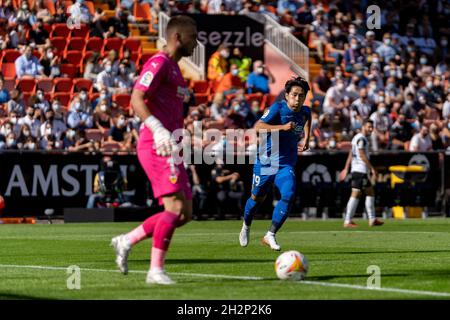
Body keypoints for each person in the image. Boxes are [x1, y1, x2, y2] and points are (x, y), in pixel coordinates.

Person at [111, 15, 198, 285]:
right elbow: (136, 98)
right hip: (157, 143)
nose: (196, 43)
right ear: (178, 37)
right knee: (173, 208)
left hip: (172, 145)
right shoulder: (158, 63)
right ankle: (155, 271)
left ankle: (127, 240)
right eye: (193, 37)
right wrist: (158, 128)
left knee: (184, 214)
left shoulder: (174, 68)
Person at [239, 77, 311, 251]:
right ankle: (246, 225)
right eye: (294, 95)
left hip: (286, 164)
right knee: (256, 200)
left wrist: (307, 138)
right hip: (265, 163)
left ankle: (270, 234)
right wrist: (281, 127)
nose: (298, 99)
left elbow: (308, 119)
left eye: (301, 96)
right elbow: (258, 126)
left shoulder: (305, 111)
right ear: (286, 95)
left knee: (289, 193)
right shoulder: (278, 108)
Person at [339, 119, 384, 228]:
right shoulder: (362, 139)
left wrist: (346, 168)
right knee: (355, 194)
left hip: (357, 170)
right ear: (363, 126)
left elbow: (351, 153)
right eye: (368, 126)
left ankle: (372, 219)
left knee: (370, 192)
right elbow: (362, 154)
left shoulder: (356, 137)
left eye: (371, 127)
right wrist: (372, 169)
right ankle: (348, 220)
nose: (370, 129)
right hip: (360, 170)